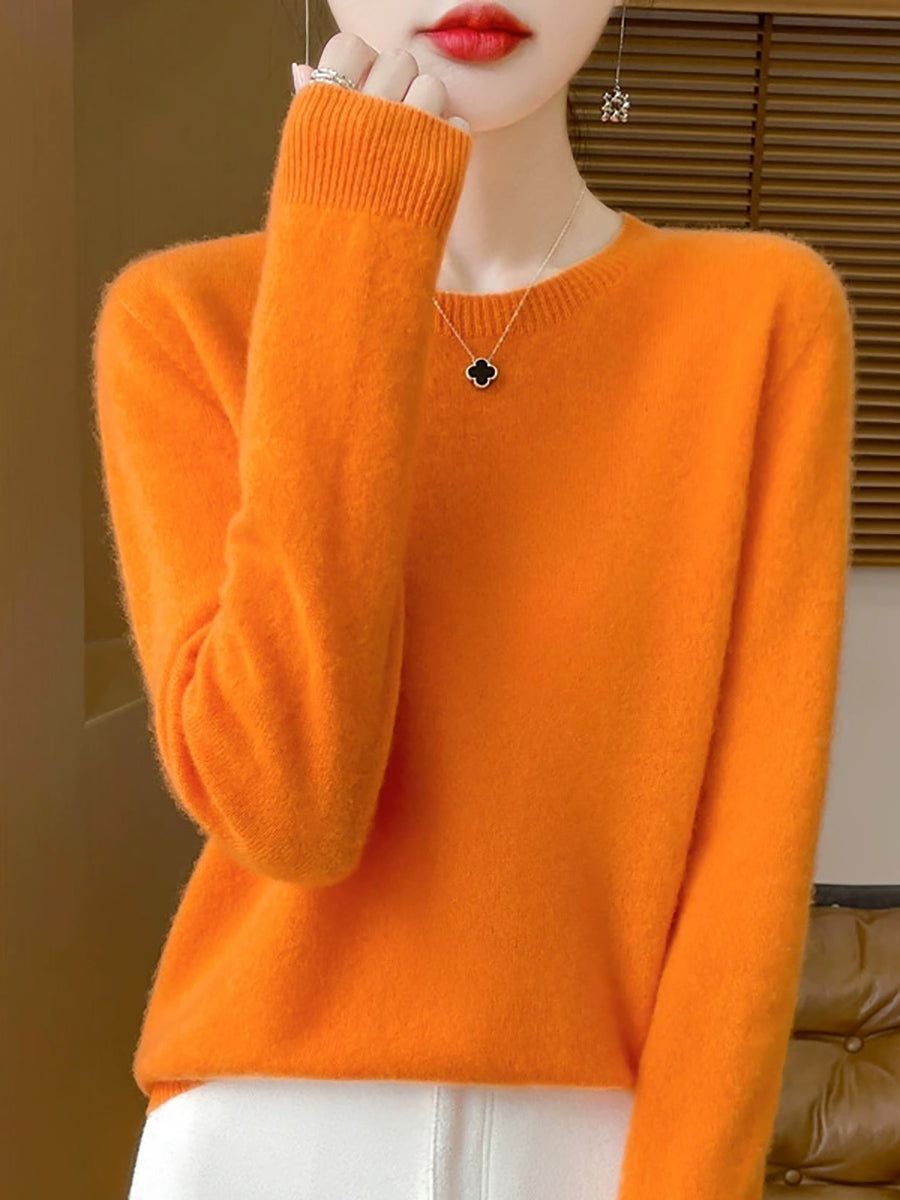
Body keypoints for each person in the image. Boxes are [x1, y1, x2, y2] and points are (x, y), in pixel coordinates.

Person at [90, 1, 856, 1197]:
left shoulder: (760, 316)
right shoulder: (183, 319)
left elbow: (750, 866)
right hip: (257, 1143)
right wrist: (349, 252)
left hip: (599, 1147)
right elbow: (291, 811)